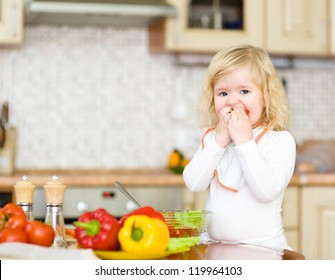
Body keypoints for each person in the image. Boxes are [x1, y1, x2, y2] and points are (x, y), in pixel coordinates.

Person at [183, 44, 296, 250]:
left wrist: (244, 142)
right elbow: (194, 183)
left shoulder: (280, 141)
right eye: (223, 93)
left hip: (265, 249)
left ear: (266, 96)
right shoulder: (212, 139)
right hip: (215, 247)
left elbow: (266, 192)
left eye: (244, 91)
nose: (232, 101)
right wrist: (218, 142)